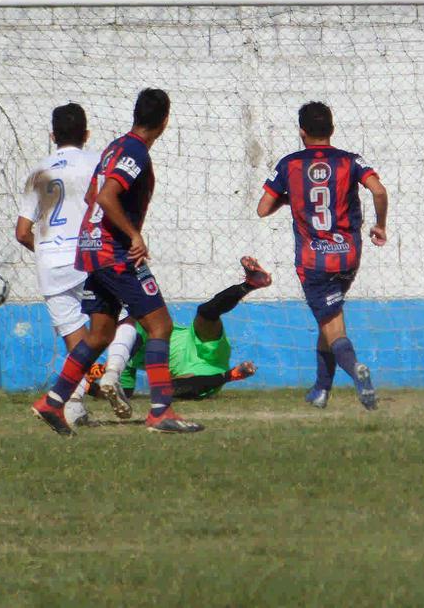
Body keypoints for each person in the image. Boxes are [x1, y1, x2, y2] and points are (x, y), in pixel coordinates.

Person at [31, 88, 202, 435]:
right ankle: (160, 412)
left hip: (92, 248)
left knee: (101, 334)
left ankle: (52, 401)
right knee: (160, 326)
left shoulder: (114, 147)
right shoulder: (136, 152)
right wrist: (133, 235)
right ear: (165, 122)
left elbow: (95, 194)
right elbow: (107, 196)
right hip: (115, 252)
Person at [257, 101, 388, 410]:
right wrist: (380, 226)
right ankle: (321, 390)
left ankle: (356, 370)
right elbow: (379, 191)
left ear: (302, 132)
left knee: (333, 326)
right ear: (332, 130)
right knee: (327, 319)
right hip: (348, 256)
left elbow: (263, 208)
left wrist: (291, 200)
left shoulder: (289, 164)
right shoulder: (351, 160)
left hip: (314, 261)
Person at [15, 103, 101, 428]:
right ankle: (113, 375)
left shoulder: (38, 173)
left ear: (52, 135)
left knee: (75, 342)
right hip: (89, 257)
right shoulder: (96, 162)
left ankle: (74, 407)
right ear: (87, 134)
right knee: (123, 319)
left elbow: (22, 232)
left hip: (50, 263)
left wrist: (47, 252)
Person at [95, 256, 271, 415]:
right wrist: (89, 387)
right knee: (168, 390)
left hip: (197, 343)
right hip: (204, 376)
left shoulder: (137, 326)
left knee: (206, 312)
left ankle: (249, 284)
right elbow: (123, 393)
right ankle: (231, 375)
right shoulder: (123, 356)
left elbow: (132, 329)